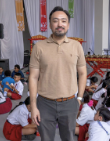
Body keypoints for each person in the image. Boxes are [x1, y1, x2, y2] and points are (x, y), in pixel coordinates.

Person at [29, 6, 87, 141]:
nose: (59, 24)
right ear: (50, 24)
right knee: (46, 138)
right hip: (44, 104)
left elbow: (83, 73)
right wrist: (33, 106)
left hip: (69, 103)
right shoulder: (39, 47)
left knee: (69, 138)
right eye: (55, 20)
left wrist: (79, 98)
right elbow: (33, 77)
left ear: (68, 24)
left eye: (63, 21)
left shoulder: (76, 46)